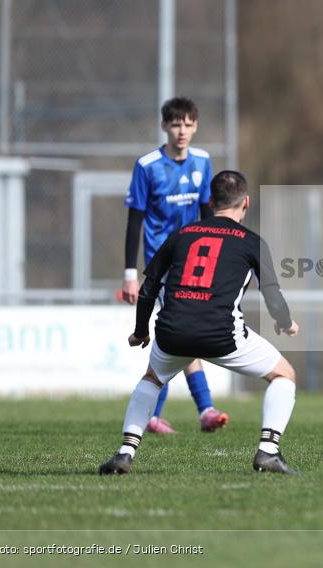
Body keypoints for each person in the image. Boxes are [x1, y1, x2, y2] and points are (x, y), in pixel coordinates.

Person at [100, 170, 301, 475]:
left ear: (210, 201)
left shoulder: (181, 235)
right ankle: (268, 452)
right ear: (245, 203)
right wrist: (285, 322)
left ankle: (125, 452)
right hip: (221, 335)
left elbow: (149, 287)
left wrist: (141, 332)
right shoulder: (252, 242)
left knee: (152, 379)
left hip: (172, 331)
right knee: (284, 375)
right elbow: (271, 292)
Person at [121, 96, 229, 434]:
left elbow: (206, 213)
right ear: (165, 126)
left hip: (193, 261)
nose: (181, 131)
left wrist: (218, 254)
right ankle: (203, 409)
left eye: (187, 124)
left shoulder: (202, 161)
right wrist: (130, 274)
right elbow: (134, 220)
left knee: (181, 335)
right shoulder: (147, 165)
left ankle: (165, 413)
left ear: (195, 126)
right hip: (161, 263)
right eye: (175, 124)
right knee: (182, 332)